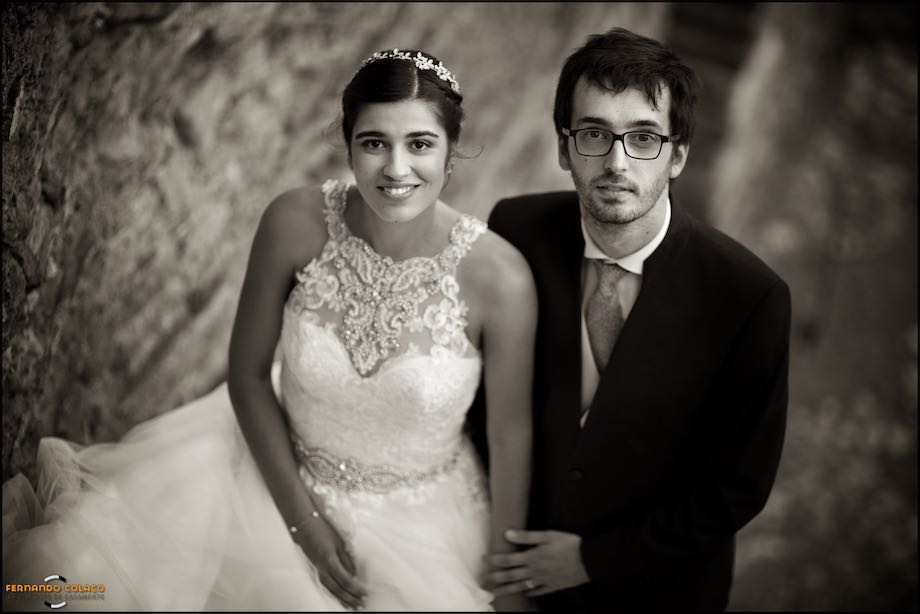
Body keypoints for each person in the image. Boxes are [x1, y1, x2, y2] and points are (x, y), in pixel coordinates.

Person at [2, 49, 536, 612]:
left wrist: (507, 582)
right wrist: (303, 523)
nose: (396, 169)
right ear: (349, 145)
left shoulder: (501, 280)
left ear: (451, 154)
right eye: (374, 142)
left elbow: (510, 437)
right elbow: (250, 374)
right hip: (265, 476)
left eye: (420, 144)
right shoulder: (294, 222)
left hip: (428, 529)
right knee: (66, 587)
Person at [482, 27, 791, 611]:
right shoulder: (513, 231)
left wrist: (591, 560)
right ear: (564, 147)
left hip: (656, 590)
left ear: (678, 155)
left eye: (644, 138)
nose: (617, 162)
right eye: (595, 134)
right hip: (511, 571)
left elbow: (738, 487)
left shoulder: (750, 298)